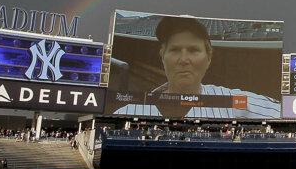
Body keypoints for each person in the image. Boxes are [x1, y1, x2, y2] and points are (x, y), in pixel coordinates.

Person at [113, 16, 280, 119]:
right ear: (162, 56)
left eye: (193, 50)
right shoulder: (129, 110)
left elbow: (291, 110)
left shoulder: (232, 101)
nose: (184, 59)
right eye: (175, 50)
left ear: (208, 58)